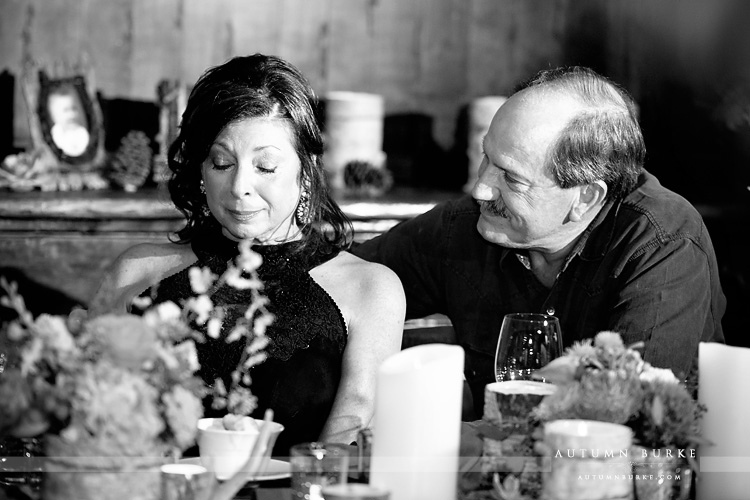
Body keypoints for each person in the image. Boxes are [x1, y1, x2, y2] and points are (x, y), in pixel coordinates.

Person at [352, 66, 726, 418]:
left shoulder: (662, 241)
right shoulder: (469, 224)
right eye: (487, 157)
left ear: (585, 198)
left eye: (512, 179)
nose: (480, 188)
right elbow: (340, 283)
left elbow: (629, 414)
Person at [89, 54, 405, 454]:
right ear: (201, 171)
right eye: (222, 163)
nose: (239, 185)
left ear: (305, 172)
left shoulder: (370, 288)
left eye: (266, 167)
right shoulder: (137, 273)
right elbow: (88, 414)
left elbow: (354, 421)